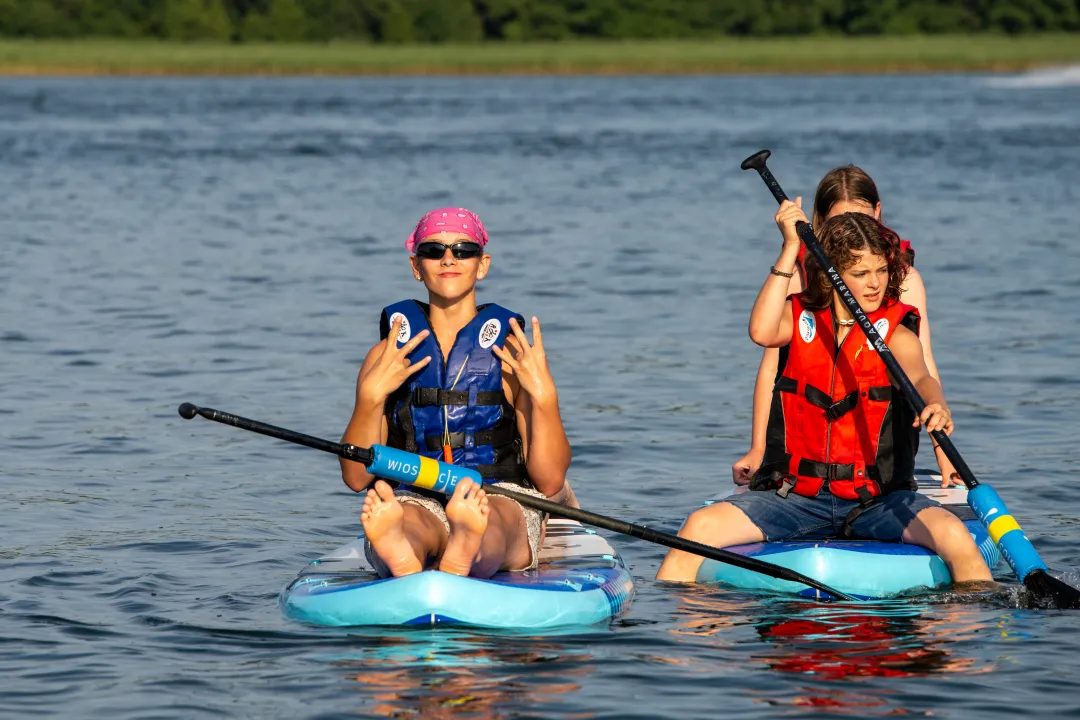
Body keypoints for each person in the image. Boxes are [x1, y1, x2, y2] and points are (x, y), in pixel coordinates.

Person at [656, 207, 992, 584]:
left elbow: (921, 376)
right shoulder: (798, 318)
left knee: (953, 535)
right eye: (860, 274)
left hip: (877, 500)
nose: (874, 283)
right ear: (831, 276)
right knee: (698, 526)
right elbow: (761, 331)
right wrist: (790, 247)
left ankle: (971, 613)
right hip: (795, 498)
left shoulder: (895, 332)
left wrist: (937, 403)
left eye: (881, 271)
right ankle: (675, 618)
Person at [339, 207, 572, 578]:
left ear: (482, 265)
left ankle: (467, 545)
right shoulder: (386, 356)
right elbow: (356, 478)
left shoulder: (513, 355)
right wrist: (369, 399)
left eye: (464, 250)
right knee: (410, 520)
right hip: (418, 494)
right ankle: (401, 549)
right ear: (416, 267)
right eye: (434, 251)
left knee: (493, 522)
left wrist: (545, 398)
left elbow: (549, 480)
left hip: (499, 495)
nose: (449, 258)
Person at [732, 166, 958, 488]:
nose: (853, 229)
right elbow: (773, 364)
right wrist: (758, 449)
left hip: (872, 447)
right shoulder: (800, 275)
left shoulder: (902, 278)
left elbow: (922, 368)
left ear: (877, 213)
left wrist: (943, 451)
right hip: (812, 450)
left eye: (861, 218)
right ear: (822, 223)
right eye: (841, 222)